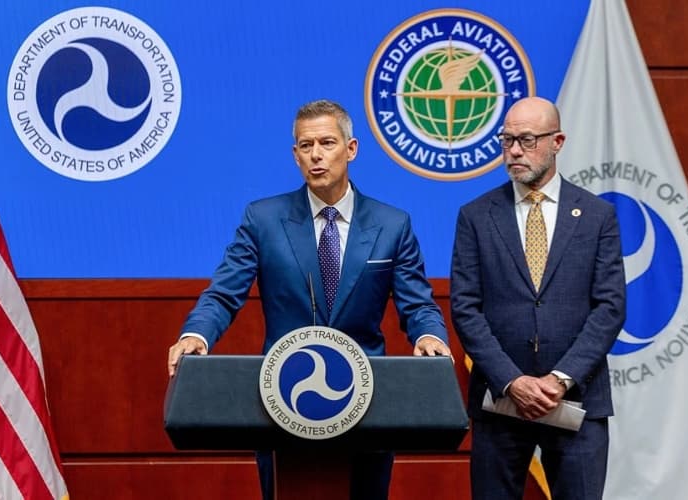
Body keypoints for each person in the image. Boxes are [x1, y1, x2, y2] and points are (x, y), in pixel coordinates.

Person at [167, 99, 451, 500]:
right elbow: (224, 291)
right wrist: (196, 334)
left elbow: (418, 305)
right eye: (305, 145)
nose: (316, 155)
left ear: (351, 149)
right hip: (283, 396)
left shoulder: (392, 224)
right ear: (295, 154)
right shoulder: (263, 219)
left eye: (327, 143)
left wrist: (430, 337)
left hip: (367, 401)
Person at [449, 96, 626, 500]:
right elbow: (465, 307)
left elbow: (610, 307)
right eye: (506, 140)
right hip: (501, 403)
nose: (513, 151)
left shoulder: (597, 215)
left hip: (577, 401)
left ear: (557, 141)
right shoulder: (476, 215)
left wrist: (558, 380)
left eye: (526, 140)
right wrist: (512, 381)